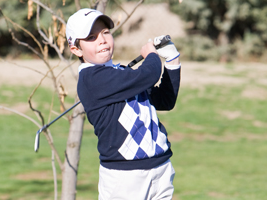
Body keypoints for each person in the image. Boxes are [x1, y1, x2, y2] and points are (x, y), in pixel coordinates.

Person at [66, 8, 181, 200]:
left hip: (160, 170)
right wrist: (151, 55)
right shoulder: (91, 79)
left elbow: (165, 100)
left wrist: (172, 60)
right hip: (124, 178)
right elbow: (149, 74)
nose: (102, 40)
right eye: (91, 37)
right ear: (76, 49)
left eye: (105, 33)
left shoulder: (120, 73)